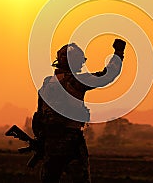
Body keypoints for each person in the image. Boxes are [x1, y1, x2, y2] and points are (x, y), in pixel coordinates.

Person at [32, 39, 126, 183]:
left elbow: (39, 114)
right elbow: (107, 76)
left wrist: (41, 140)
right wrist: (118, 53)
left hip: (50, 143)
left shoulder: (46, 83)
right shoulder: (77, 82)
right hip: (71, 142)